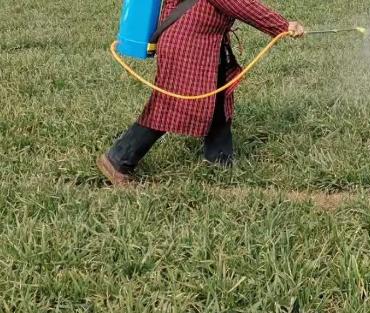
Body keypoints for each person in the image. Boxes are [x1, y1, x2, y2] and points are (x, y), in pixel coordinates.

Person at [97, 0, 304, 186]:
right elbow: (239, 4)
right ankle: (119, 158)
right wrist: (282, 26)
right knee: (169, 106)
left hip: (204, 45)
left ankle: (219, 161)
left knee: (218, 99)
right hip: (186, 47)